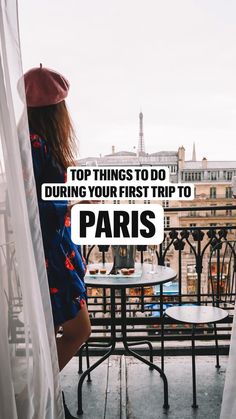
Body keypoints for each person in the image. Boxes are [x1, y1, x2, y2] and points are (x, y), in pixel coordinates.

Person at [24, 64, 91, 419]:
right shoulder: (37, 146)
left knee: (51, 335)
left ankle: (46, 402)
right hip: (51, 255)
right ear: (54, 110)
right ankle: (38, 392)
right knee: (79, 329)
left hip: (49, 253)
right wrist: (75, 203)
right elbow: (43, 206)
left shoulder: (34, 143)